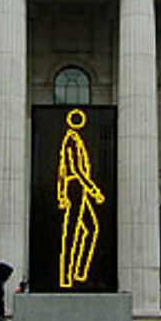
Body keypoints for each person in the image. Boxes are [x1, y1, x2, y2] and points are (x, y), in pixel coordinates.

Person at [57, 108, 105, 288]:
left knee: (91, 229)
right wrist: (93, 189)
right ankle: (67, 274)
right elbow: (74, 170)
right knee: (72, 231)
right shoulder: (71, 141)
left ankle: (77, 271)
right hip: (76, 186)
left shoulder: (76, 140)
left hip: (77, 187)